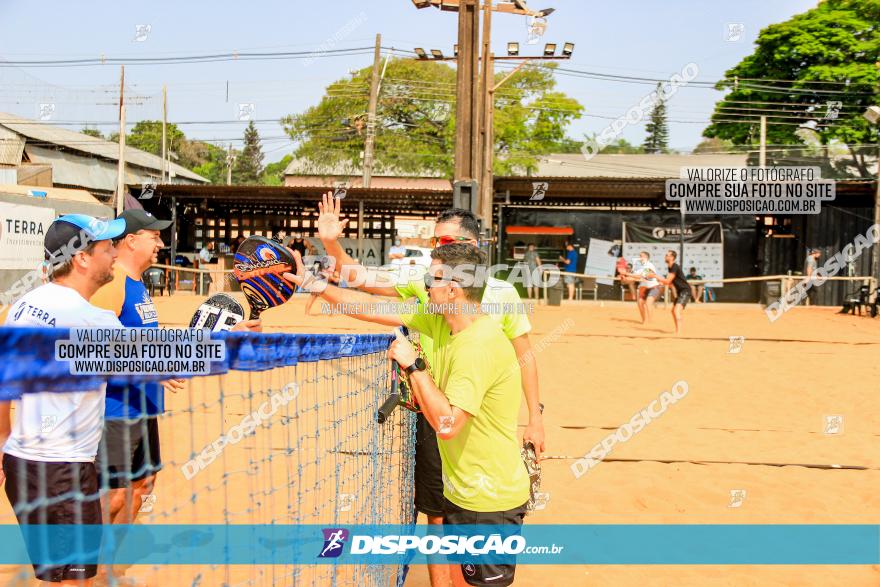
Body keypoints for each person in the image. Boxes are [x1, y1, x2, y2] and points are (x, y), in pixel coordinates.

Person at [297, 192, 544, 587]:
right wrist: (327, 251)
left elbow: (525, 357)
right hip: (434, 406)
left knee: (472, 531)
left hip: (468, 432)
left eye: (443, 245)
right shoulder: (434, 301)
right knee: (437, 509)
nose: (433, 260)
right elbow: (363, 288)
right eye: (434, 244)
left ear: (469, 252)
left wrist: (536, 418)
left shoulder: (490, 308)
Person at [387, 244, 530, 587]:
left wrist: (414, 365)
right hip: (464, 496)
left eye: (431, 278)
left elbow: (447, 425)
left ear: (453, 287)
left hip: (487, 502)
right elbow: (363, 308)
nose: (425, 286)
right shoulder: (445, 325)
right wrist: (313, 282)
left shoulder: (477, 346)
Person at [0, 214, 126, 585]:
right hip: (63, 471)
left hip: (25, 463)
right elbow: (167, 361)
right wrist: (225, 333)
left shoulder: (25, 305)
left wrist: (4, 441)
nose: (115, 254)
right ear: (81, 258)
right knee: (73, 581)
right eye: (107, 247)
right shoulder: (91, 320)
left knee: (59, 576)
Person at [648, 250, 691, 335]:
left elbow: (667, 281)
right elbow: (670, 282)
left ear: (672, 257)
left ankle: (679, 332)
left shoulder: (674, 266)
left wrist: (655, 276)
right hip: (680, 291)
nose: (665, 256)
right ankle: (677, 331)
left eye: (667, 255)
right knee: (673, 311)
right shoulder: (670, 267)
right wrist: (660, 282)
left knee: (676, 310)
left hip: (685, 291)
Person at [628, 251, 660, 324]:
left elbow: (641, 276)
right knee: (640, 303)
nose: (639, 258)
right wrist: (626, 276)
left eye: (641, 256)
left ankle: (650, 321)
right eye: (639, 256)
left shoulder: (649, 265)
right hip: (645, 287)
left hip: (653, 287)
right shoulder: (640, 267)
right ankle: (644, 320)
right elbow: (636, 276)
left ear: (646, 257)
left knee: (648, 303)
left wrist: (627, 274)